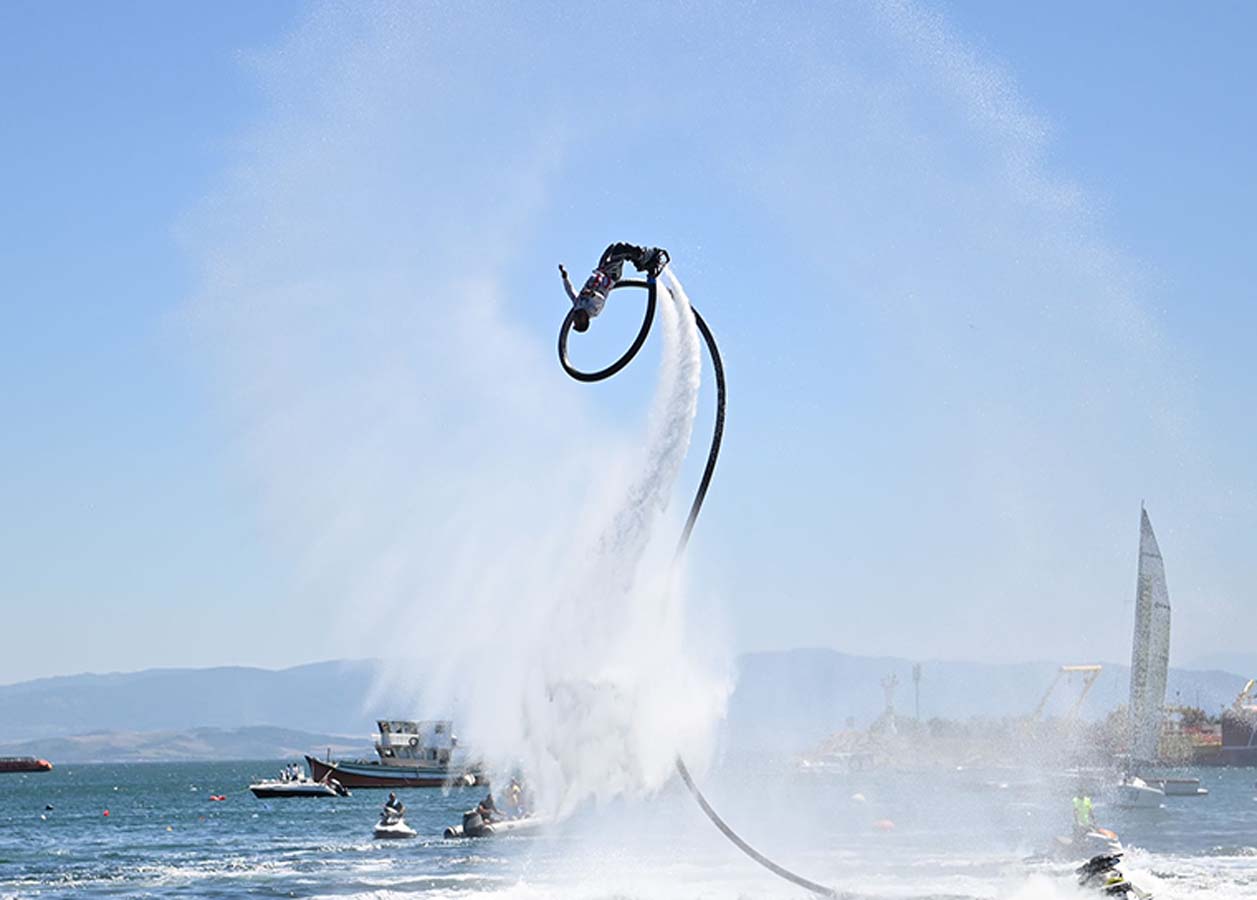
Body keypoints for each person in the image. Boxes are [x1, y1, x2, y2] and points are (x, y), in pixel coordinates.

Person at [559, 243, 669, 333]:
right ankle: (645, 257)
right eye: (577, 322)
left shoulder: (578, 305)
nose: (574, 319)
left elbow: (570, 291)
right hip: (611, 275)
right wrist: (592, 294)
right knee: (620, 250)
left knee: (613, 248)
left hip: (601, 269)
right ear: (584, 320)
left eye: (575, 321)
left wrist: (565, 277)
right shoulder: (593, 311)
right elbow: (600, 299)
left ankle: (639, 261)